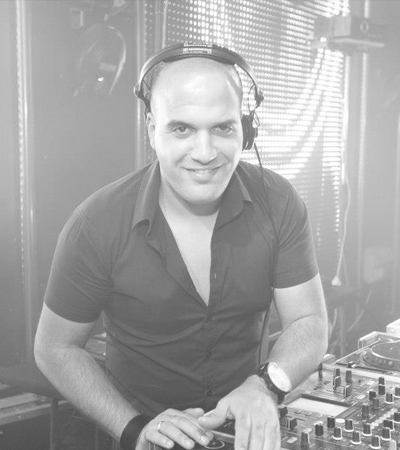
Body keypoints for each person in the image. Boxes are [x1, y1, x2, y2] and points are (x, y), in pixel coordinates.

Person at [34, 42, 328, 450]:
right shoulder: (96, 223)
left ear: (246, 130)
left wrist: (265, 385)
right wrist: (135, 428)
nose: (204, 154)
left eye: (223, 128)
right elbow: (55, 347)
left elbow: (309, 321)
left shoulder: (279, 203)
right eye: (182, 129)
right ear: (152, 129)